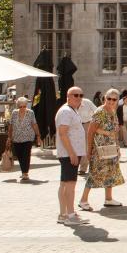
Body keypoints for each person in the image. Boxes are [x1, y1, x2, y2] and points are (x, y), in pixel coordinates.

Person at [78, 89, 125, 212]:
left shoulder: (113, 111)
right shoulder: (99, 111)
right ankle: (83, 200)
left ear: (117, 101)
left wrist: (117, 147)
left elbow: (115, 132)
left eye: (114, 99)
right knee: (94, 174)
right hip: (100, 150)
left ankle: (108, 199)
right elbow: (90, 131)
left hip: (111, 149)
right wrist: (88, 150)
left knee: (110, 172)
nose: (111, 101)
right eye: (108, 98)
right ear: (104, 98)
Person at [54, 87, 89, 226]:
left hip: (69, 153)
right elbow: (63, 133)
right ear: (68, 96)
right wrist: (72, 153)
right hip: (69, 154)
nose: (79, 97)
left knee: (64, 183)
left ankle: (63, 214)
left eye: (81, 95)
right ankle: (70, 215)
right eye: (75, 95)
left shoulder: (71, 110)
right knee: (70, 184)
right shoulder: (66, 111)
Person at [6, 96, 41, 181]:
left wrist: (38, 135)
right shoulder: (14, 113)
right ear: (17, 106)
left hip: (28, 137)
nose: (22, 108)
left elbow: (34, 124)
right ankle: (23, 172)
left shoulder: (30, 112)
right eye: (20, 106)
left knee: (26, 155)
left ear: (26, 105)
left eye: (24, 106)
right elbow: (11, 126)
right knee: (19, 156)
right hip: (16, 138)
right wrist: (9, 138)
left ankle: (25, 173)